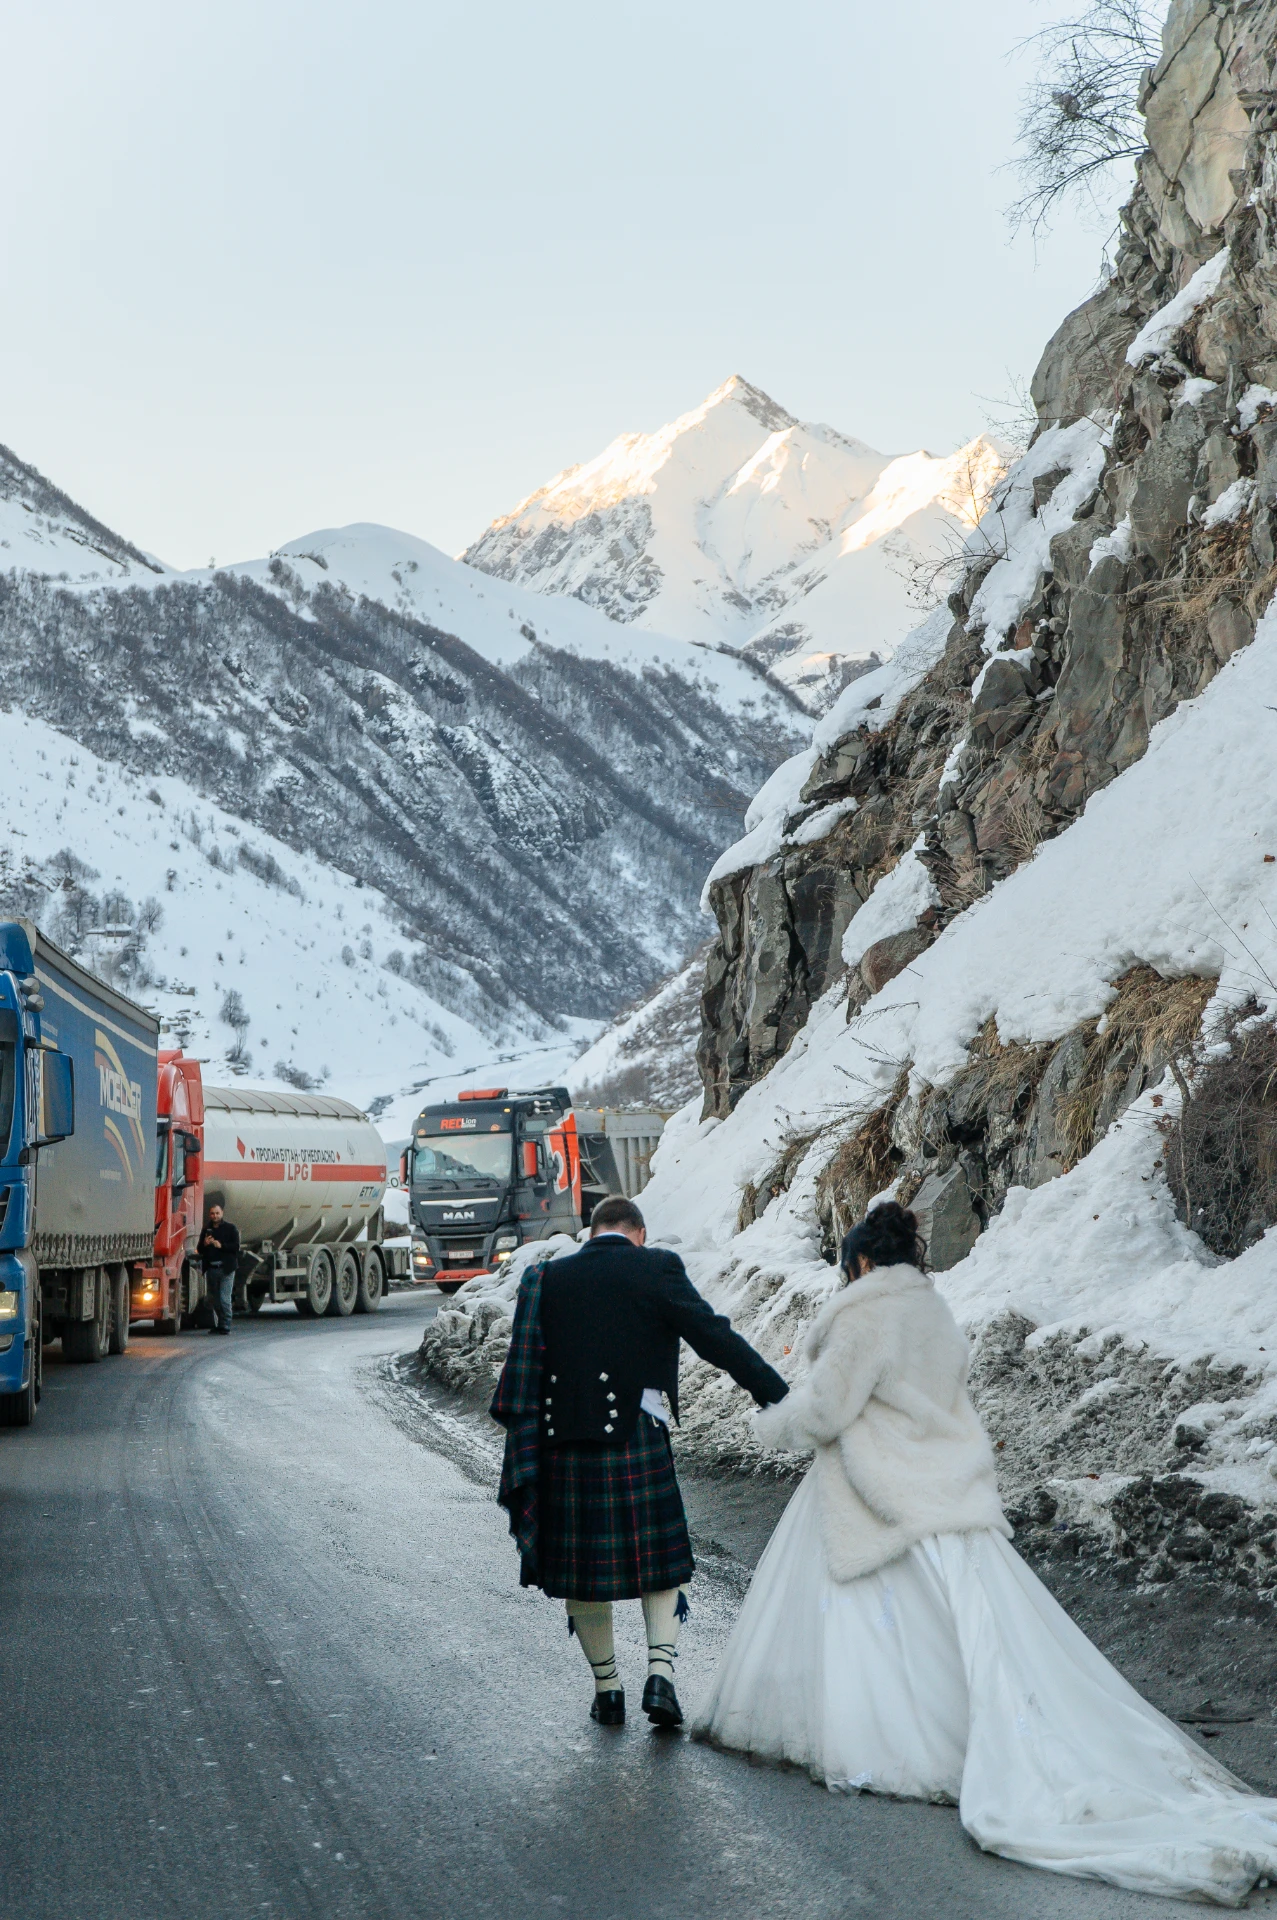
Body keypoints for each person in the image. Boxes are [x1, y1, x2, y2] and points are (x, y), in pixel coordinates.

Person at [691, 1199, 1277, 1905]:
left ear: (863, 1263)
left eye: (847, 1268)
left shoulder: (862, 1313)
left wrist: (771, 1424)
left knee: (867, 1616)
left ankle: (885, 1740)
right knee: (964, 1622)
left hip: (873, 1488)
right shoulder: (934, 1312)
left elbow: (826, 1409)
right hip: (941, 1484)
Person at [491, 1194, 788, 1729]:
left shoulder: (546, 1278)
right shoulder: (656, 1268)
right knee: (661, 1562)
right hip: (637, 1439)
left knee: (582, 1574)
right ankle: (661, 1676)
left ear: (591, 1231)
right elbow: (712, 1336)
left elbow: (523, 1368)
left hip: (564, 1447)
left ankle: (607, 1690)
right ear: (640, 1233)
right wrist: (773, 1391)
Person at [199, 1203, 240, 1336]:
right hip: (211, 1269)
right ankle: (220, 1324)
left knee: (224, 1298)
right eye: (212, 1214)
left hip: (226, 1269)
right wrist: (205, 1244)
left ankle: (226, 1325)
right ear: (209, 1215)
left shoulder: (230, 1228)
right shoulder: (206, 1230)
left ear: (222, 1213)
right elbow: (200, 1249)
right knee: (215, 1299)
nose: (215, 1216)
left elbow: (236, 1247)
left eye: (217, 1213)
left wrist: (221, 1245)